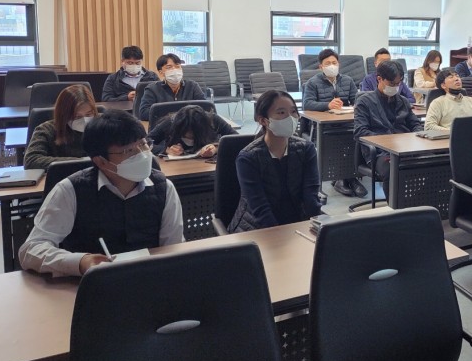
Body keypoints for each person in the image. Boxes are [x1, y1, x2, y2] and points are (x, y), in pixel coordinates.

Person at [18, 109, 184, 277]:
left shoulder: (164, 188)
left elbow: (175, 248)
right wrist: (80, 262)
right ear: (101, 161)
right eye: (128, 151)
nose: (142, 155)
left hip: (149, 280)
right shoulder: (70, 190)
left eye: (143, 144)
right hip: (89, 285)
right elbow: (31, 250)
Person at [228, 90, 322, 232]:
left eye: (293, 111)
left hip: (296, 225)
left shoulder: (306, 149)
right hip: (256, 229)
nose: (290, 118)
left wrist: (317, 229)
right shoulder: (248, 158)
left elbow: (311, 198)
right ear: (263, 120)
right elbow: (260, 210)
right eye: (281, 112)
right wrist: (280, 236)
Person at [354, 60, 424, 198]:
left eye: (399, 83)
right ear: (379, 79)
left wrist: (417, 137)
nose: (396, 87)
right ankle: (395, 207)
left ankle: (419, 202)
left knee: (431, 162)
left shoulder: (403, 101)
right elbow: (360, 132)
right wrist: (388, 142)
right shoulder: (365, 102)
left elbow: (415, 124)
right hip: (379, 152)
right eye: (392, 84)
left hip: (405, 149)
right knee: (392, 170)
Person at [302, 48, 366, 198]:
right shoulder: (312, 83)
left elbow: (356, 100)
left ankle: (347, 178)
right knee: (340, 141)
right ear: (321, 66)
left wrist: (355, 106)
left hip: (345, 123)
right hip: (324, 127)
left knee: (358, 138)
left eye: (334, 62)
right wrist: (327, 105)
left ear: (339, 64)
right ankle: (346, 179)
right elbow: (307, 104)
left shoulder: (347, 80)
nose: (332, 66)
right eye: (328, 63)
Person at [24, 84, 98, 171]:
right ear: (64, 115)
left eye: (88, 114)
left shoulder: (103, 124)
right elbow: (31, 160)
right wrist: (80, 162)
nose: (84, 120)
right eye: (77, 117)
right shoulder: (46, 129)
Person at [146, 104, 237, 157]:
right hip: (176, 169)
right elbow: (146, 142)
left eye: (194, 132)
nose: (190, 136)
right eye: (186, 132)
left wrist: (216, 148)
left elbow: (236, 139)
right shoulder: (170, 122)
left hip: (205, 167)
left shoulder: (213, 120)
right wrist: (166, 150)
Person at [137, 53, 207, 121]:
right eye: (169, 67)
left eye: (177, 66)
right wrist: (174, 115)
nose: (174, 70)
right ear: (161, 72)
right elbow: (144, 113)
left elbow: (205, 108)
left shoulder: (192, 86)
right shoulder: (152, 89)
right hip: (163, 126)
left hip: (188, 126)